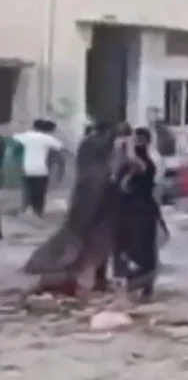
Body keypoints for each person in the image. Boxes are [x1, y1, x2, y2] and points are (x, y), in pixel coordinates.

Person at [24, 124, 122, 299]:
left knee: (91, 246)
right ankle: (83, 281)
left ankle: (90, 279)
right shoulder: (97, 174)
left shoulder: (90, 169)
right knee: (89, 247)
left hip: (91, 221)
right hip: (90, 223)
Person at [117, 127, 163, 301]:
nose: (138, 143)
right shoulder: (137, 162)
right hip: (136, 210)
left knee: (141, 248)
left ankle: (142, 285)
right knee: (136, 248)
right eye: (137, 140)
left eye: (141, 140)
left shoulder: (145, 161)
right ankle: (140, 286)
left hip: (141, 210)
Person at [15, 119, 64, 218]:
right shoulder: (48, 138)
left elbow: (16, 143)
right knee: (39, 194)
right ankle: (37, 213)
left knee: (27, 191)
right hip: (41, 170)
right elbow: (59, 152)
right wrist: (60, 173)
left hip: (27, 169)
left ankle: (25, 210)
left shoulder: (25, 136)